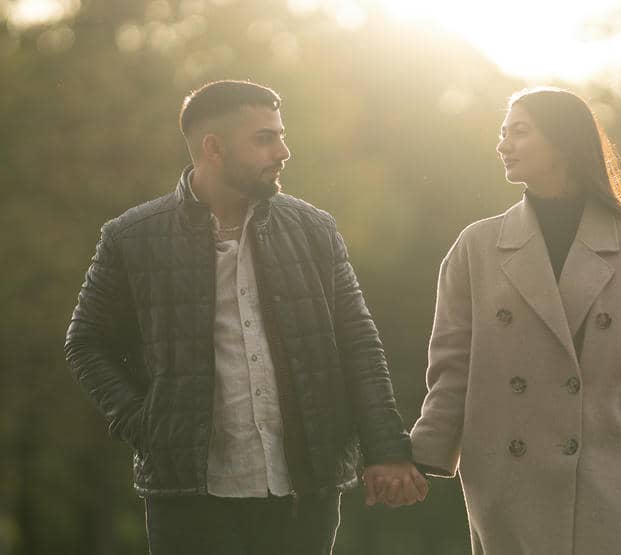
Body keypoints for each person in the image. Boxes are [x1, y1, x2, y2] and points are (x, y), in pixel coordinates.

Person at [64, 80, 426, 555]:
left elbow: (357, 342)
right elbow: (86, 342)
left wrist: (385, 450)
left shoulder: (315, 230)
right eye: (264, 138)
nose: (284, 151)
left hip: (305, 490)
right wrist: (143, 423)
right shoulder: (131, 237)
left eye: (280, 134)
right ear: (213, 148)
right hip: (188, 496)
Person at [409, 87, 621, 554]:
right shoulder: (476, 247)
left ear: (563, 141)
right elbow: (451, 369)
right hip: (506, 478)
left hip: (609, 475)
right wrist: (423, 456)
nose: (503, 145)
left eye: (519, 132)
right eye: (502, 134)